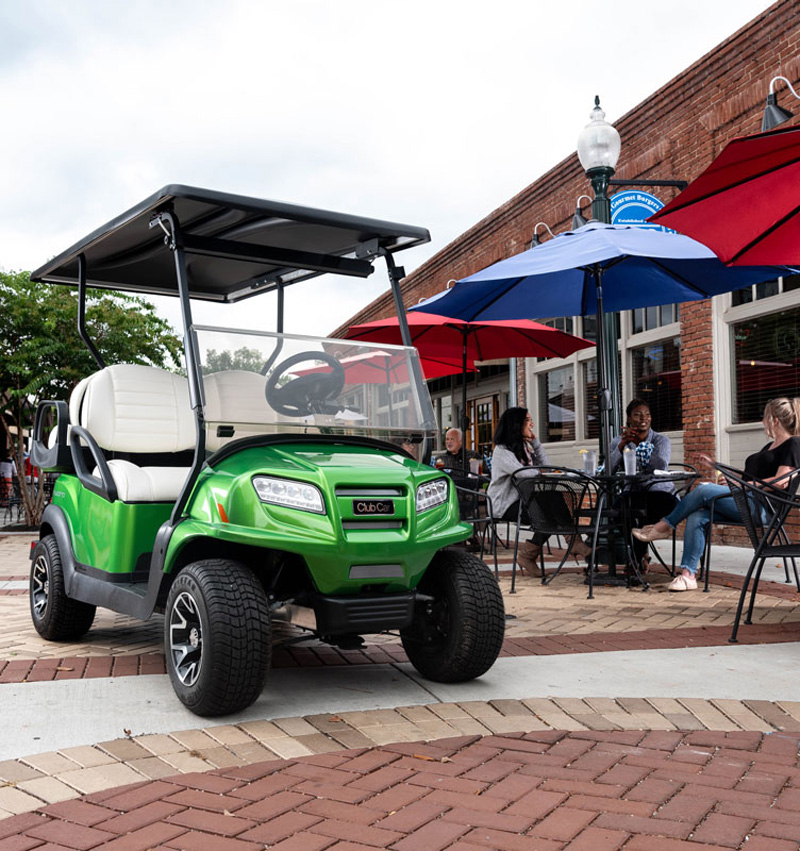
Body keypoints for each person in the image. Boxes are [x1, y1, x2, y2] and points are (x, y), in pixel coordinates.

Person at [633, 397, 800, 591]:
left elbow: (781, 481)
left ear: (774, 420)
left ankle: (664, 525)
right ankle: (688, 575)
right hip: (748, 501)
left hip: (764, 509)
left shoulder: (793, 444)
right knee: (698, 515)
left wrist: (741, 485)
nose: (762, 421)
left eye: (764, 417)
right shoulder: (769, 447)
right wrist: (716, 466)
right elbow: (749, 477)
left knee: (704, 490)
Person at [487, 407, 591, 575]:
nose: (532, 424)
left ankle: (532, 555)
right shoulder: (502, 451)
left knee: (552, 501)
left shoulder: (523, 448)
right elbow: (524, 474)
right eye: (528, 421)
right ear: (516, 425)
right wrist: (543, 471)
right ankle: (572, 541)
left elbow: (545, 464)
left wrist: (536, 443)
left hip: (524, 501)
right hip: (504, 505)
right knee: (548, 511)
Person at [608, 399, 677, 571]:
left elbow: (660, 466)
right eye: (637, 415)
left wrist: (640, 444)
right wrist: (622, 445)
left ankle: (636, 558)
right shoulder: (618, 441)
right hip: (633, 491)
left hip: (660, 493)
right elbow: (608, 469)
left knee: (646, 513)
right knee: (617, 511)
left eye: (646, 415)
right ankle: (640, 555)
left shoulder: (661, 440)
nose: (642, 419)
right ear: (629, 419)